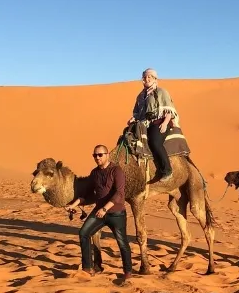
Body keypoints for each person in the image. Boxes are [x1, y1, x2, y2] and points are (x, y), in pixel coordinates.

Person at [66, 144, 133, 281]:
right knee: (84, 233)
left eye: (100, 155)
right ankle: (87, 268)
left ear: (107, 155)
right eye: (95, 155)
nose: (97, 158)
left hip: (116, 213)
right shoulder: (95, 173)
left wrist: (104, 209)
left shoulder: (116, 170)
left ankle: (127, 271)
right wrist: (74, 204)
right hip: (99, 213)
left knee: (122, 243)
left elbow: (120, 193)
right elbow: (89, 194)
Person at [127, 67, 179, 183]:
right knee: (127, 136)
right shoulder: (140, 96)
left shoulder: (161, 92)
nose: (147, 79)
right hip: (144, 123)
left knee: (155, 142)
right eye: (145, 77)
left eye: (149, 77)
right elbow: (137, 113)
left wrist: (165, 123)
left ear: (155, 79)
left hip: (160, 121)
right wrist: (132, 119)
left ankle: (167, 170)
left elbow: (169, 110)